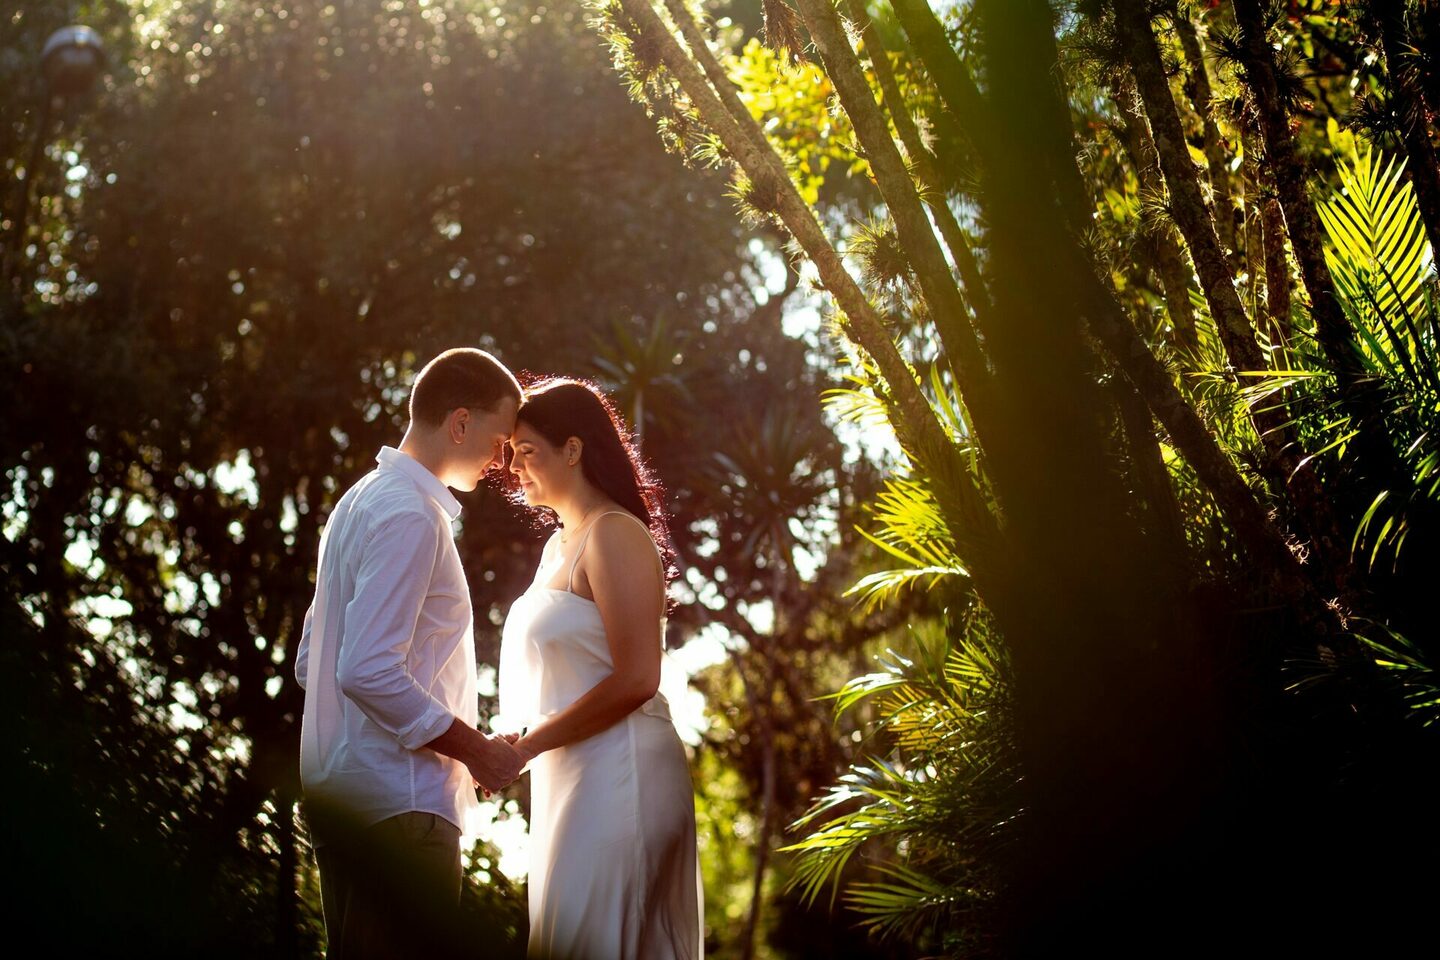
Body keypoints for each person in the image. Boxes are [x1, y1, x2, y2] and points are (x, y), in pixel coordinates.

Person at [294, 347, 525, 958]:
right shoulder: (412, 517)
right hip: (404, 808)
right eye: (500, 441)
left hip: (349, 803)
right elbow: (365, 669)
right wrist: (477, 751)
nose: (502, 462)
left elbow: (311, 659)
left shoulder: (357, 503)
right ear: (459, 423)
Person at [498, 377, 703, 960]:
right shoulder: (557, 548)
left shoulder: (614, 533)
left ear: (574, 448)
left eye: (527, 451)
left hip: (623, 775)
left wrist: (525, 748)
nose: (513, 466)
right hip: (570, 777)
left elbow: (639, 678)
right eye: (511, 453)